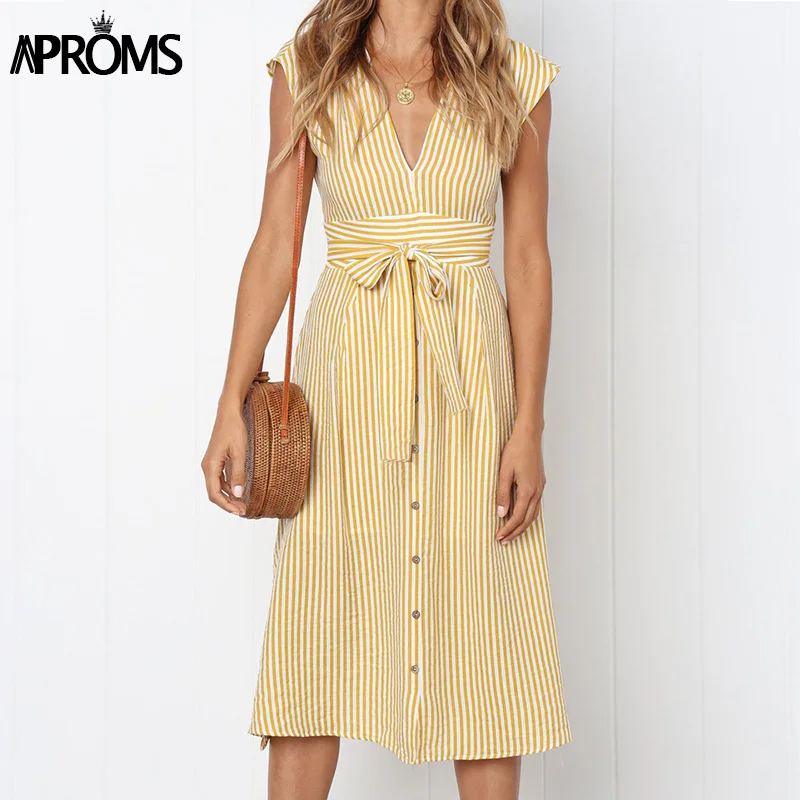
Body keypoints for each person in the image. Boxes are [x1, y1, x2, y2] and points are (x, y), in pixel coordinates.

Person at [201, 0, 571, 796]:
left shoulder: (515, 77)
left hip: (470, 390)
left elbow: (528, 258)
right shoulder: (308, 69)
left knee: (481, 639)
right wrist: (231, 400)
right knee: (317, 630)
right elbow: (275, 243)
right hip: (344, 391)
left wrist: (529, 428)